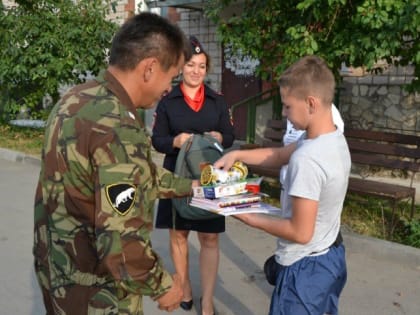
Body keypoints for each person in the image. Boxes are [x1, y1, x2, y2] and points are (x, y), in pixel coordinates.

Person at [33, 12, 197, 315]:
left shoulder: (74, 100)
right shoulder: (117, 126)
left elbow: (133, 175)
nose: (168, 89)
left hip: (58, 277)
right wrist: (164, 287)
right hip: (99, 293)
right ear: (149, 68)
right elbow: (122, 237)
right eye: (170, 77)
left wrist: (192, 186)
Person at [214, 55, 351, 315]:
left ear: (311, 103)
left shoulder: (308, 159)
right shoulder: (332, 139)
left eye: (287, 106)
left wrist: (244, 214)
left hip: (304, 271)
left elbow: (300, 232)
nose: (284, 113)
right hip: (331, 257)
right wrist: (237, 155)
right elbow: (278, 155)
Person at [151, 36, 235, 315]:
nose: (196, 71)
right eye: (190, 65)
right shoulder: (168, 102)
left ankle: (207, 300)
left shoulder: (217, 101)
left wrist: (220, 135)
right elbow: (157, 140)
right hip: (177, 175)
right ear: (181, 67)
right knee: (179, 235)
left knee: (210, 238)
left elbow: (231, 135)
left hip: (210, 175)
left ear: (206, 69)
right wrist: (176, 141)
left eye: (201, 66)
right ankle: (184, 286)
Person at [279, 105, 344, 208]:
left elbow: (327, 151)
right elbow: (282, 153)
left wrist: (252, 218)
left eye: (287, 106)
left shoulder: (329, 113)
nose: (283, 113)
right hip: (287, 182)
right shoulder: (294, 106)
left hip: (308, 189)